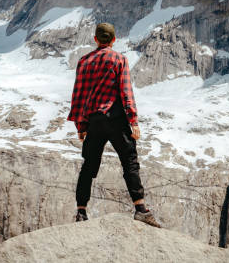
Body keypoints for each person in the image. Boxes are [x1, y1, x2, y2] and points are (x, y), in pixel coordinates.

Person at [67, 22, 161, 227]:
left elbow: (78, 96)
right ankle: (140, 209)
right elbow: (126, 92)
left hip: (94, 121)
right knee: (129, 162)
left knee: (89, 167)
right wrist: (133, 121)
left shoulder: (84, 61)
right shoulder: (119, 59)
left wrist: (81, 127)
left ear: (95, 39)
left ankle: (81, 212)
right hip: (115, 119)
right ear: (113, 40)